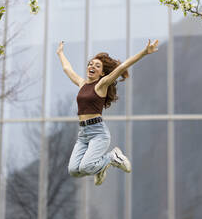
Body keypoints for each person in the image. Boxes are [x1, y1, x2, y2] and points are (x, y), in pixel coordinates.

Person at [57, 39, 159, 186]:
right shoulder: (82, 84)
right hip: (83, 133)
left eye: (97, 66)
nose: (92, 66)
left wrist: (144, 52)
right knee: (74, 170)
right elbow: (67, 69)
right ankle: (101, 167)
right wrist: (60, 53)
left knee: (85, 166)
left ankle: (112, 157)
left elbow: (122, 66)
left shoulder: (101, 85)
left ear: (102, 73)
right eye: (90, 64)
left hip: (98, 133)